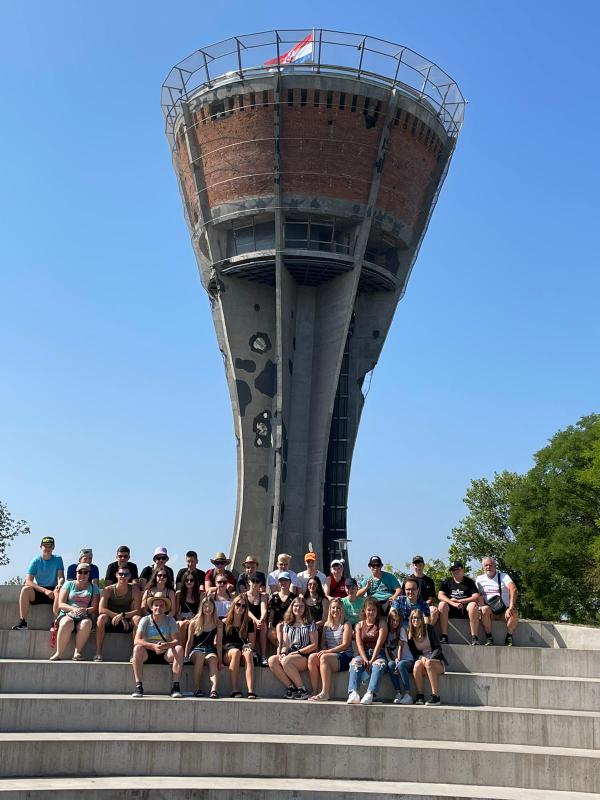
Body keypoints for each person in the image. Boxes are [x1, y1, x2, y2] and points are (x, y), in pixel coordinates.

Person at [131, 593, 184, 698]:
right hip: (148, 652)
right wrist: (153, 646)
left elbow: (177, 641)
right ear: (151, 607)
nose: (158, 608)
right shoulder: (145, 620)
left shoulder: (170, 620)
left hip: (165, 652)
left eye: (161, 605)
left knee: (179, 649)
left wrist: (166, 645)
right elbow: (136, 640)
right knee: (137, 648)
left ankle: (176, 686)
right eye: (156, 605)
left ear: (165, 608)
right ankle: (138, 686)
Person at [268, 596, 318, 699]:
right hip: (290, 653)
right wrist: (283, 653)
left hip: (304, 654)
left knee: (287, 661)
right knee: (272, 660)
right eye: (296, 606)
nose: (298, 608)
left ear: (305, 609)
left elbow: (314, 644)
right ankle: (291, 688)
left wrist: (297, 652)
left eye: (301, 606)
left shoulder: (310, 623)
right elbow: (285, 643)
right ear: (292, 607)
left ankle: (302, 690)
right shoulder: (288, 623)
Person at [50, 562, 100, 661]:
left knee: (86, 623)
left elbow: (94, 607)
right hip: (67, 614)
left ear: (89, 574)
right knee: (67, 622)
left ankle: (77, 652)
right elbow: (61, 604)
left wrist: (85, 610)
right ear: (76, 573)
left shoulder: (94, 587)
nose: (82, 575)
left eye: (85, 572)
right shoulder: (68, 584)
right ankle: (58, 653)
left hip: (84, 615)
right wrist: (73, 609)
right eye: (80, 572)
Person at [13, 536, 65, 630]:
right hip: (40, 590)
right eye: (45, 546)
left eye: (50, 546)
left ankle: (55, 623)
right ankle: (23, 623)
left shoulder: (58, 559)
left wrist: (60, 584)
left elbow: (61, 577)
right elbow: (28, 581)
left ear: (53, 547)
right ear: (41, 547)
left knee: (58, 591)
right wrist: (45, 591)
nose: (47, 548)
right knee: (25, 589)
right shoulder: (35, 561)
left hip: (53, 592)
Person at [308, 598, 353, 701]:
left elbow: (345, 645)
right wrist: (324, 650)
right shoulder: (327, 625)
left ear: (342, 609)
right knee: (312, 658)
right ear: (330, 609)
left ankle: (325, 693)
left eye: (338, 608)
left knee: (324, 657)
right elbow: (323, 643)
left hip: (345, 656)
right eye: (333, 608)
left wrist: (327, 652)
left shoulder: (346, 624)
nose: (335, 610)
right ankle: (314, 691)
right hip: (330, 656)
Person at [94, 566, 142, 661]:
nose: (123, 576)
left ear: (130, 576)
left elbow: (137, 611)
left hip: (128, 617)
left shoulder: (135, 590)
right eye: (121, 574)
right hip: (110, 618)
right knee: (101, 618)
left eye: (126, 574)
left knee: (137, 619)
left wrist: (123, 615)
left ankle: (134, 654)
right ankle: (98, 652)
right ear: (116, 575)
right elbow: (101, 609)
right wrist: (119, 617)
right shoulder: (108, 589)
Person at [347, 597, 388, 705]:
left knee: (378, 664)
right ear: (364, 610)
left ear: (377, 611)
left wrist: (372, 660)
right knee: (355, 662)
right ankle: (353, 693)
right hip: (363, 654)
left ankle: (370, 693)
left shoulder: (382, 624)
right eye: (369, 610)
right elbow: (359, 644)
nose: (371, 612)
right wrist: (365, 659)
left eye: (374, 610)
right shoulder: (359, 625)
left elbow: (379, 644)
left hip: (378, 654)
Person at [476, 557, 519, 646]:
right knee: (484, 609)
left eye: (490, 565)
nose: (488, 567)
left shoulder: (503, 576)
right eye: (486, 565)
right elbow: (476, 594)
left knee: (514, 612)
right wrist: (480, 605)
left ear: (495, 566)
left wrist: (511, 606)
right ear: (483, 567)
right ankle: (489, 637)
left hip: (504, 610)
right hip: (489, 612)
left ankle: (509, 636)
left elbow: (513, 589)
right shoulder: (479, 579)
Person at [407, 608, 447, 705]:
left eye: (418, 618)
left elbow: (438, 648)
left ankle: (436, 696)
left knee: (428, 663)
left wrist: (430, 659)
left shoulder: (429, 628)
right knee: (417, 665)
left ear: (422, 619)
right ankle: (420, 696)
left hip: (436, 661)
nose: (415, 620)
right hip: (423, 661)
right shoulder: (410, 633)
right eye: (413, 618)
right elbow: (414, 652)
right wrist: (421, 658)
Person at [185, 595, 222, 698]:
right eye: (205, 606)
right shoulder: (194, 623)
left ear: (214, 608)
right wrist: (186, 656)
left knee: (213, 659)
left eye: (210, 606)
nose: (208, 609)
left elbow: (219, 644)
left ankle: (214, 689)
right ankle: (197, 688)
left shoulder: (218, 624)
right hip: (196, 650)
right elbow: (189, 642)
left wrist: (220, 661)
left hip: (210, 649)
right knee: (200, 655)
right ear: (202, 608)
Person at [221, 595, 257, 698]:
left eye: (243, 606)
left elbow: (252, 643)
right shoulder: (224, 622)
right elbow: (218, 643)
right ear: (233, 605)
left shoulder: (248, 623)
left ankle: (250, 690)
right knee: (236, 652)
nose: (240, 608)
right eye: (238, 604)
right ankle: (234, 689)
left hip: (242, 648)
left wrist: (248, 645)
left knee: (248, 652)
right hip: (228, 651)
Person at [438, 561, 481, 645]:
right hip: (450, 608)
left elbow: (476, 597)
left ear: (462, 570)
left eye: (457, 569)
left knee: (473, 605)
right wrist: (452, 602)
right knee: (442, 604)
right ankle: (444, 636)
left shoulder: (469, 582)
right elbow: (440, 595)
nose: (455, 571)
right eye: (453, 570)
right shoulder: (447, 581)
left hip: (464, 608)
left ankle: (474, 638)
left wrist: (461, 601)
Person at [385, 606, 411, 704]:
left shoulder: (401, 630)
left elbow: (401, 646)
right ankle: (398, 693)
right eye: (393, 620)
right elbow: (389, 650)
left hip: (408, 660)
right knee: (390, 664)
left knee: (400, 664)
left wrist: (398, 659)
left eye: (397, 621)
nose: (395, 623)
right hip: (396, 660)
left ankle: (407, 694)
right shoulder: (387, 632)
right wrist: (394, 659)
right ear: (389, 620)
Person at [245, 573, 269, 666]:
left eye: (257, 581)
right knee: (252, 623)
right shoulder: (244, 595)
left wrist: (261, 620)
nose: (255, 583)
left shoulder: (262, 596)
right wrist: (256, 620)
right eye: (253, 581)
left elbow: (264, 609)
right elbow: (247, 611)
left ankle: (263, 656)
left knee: (264, 625)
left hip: (258, 621)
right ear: (249, 582)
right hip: (247, 621)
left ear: (260, 583)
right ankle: (253, 652)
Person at [409, 555, 439, 626]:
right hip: (411, 606)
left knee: (434, 610)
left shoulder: (429, 581)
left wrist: (422, 605)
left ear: (423, 565)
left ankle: (428, 630)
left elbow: (430, 599)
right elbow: (405, 596)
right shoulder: (408, 580)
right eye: (416, 565)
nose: (418, 567)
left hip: (425, 606)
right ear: (413, 566)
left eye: (420, 564)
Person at [267, 571, 295, 648]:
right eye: (281, 580)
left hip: (290, 624)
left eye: (285, 580)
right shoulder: (274, 597)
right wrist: (270, 626)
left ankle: (283, 650)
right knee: (270, 634)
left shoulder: (294, 598)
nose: (283, 582)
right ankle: (284, 648)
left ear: (290, 582)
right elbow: (271, 614)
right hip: (276, 625)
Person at [176, 569, 203, 644]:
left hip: (195, 618)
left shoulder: (200, 595)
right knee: (182, 624)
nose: (189, 582)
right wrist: (183, 619)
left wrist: (192, 619)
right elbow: (176, 613)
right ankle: (182, 647)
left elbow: (200, 612)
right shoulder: (179, 594)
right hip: (182, 619)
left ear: (195, 581)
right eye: (186, 580)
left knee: (190, 624)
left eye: (192, 580)